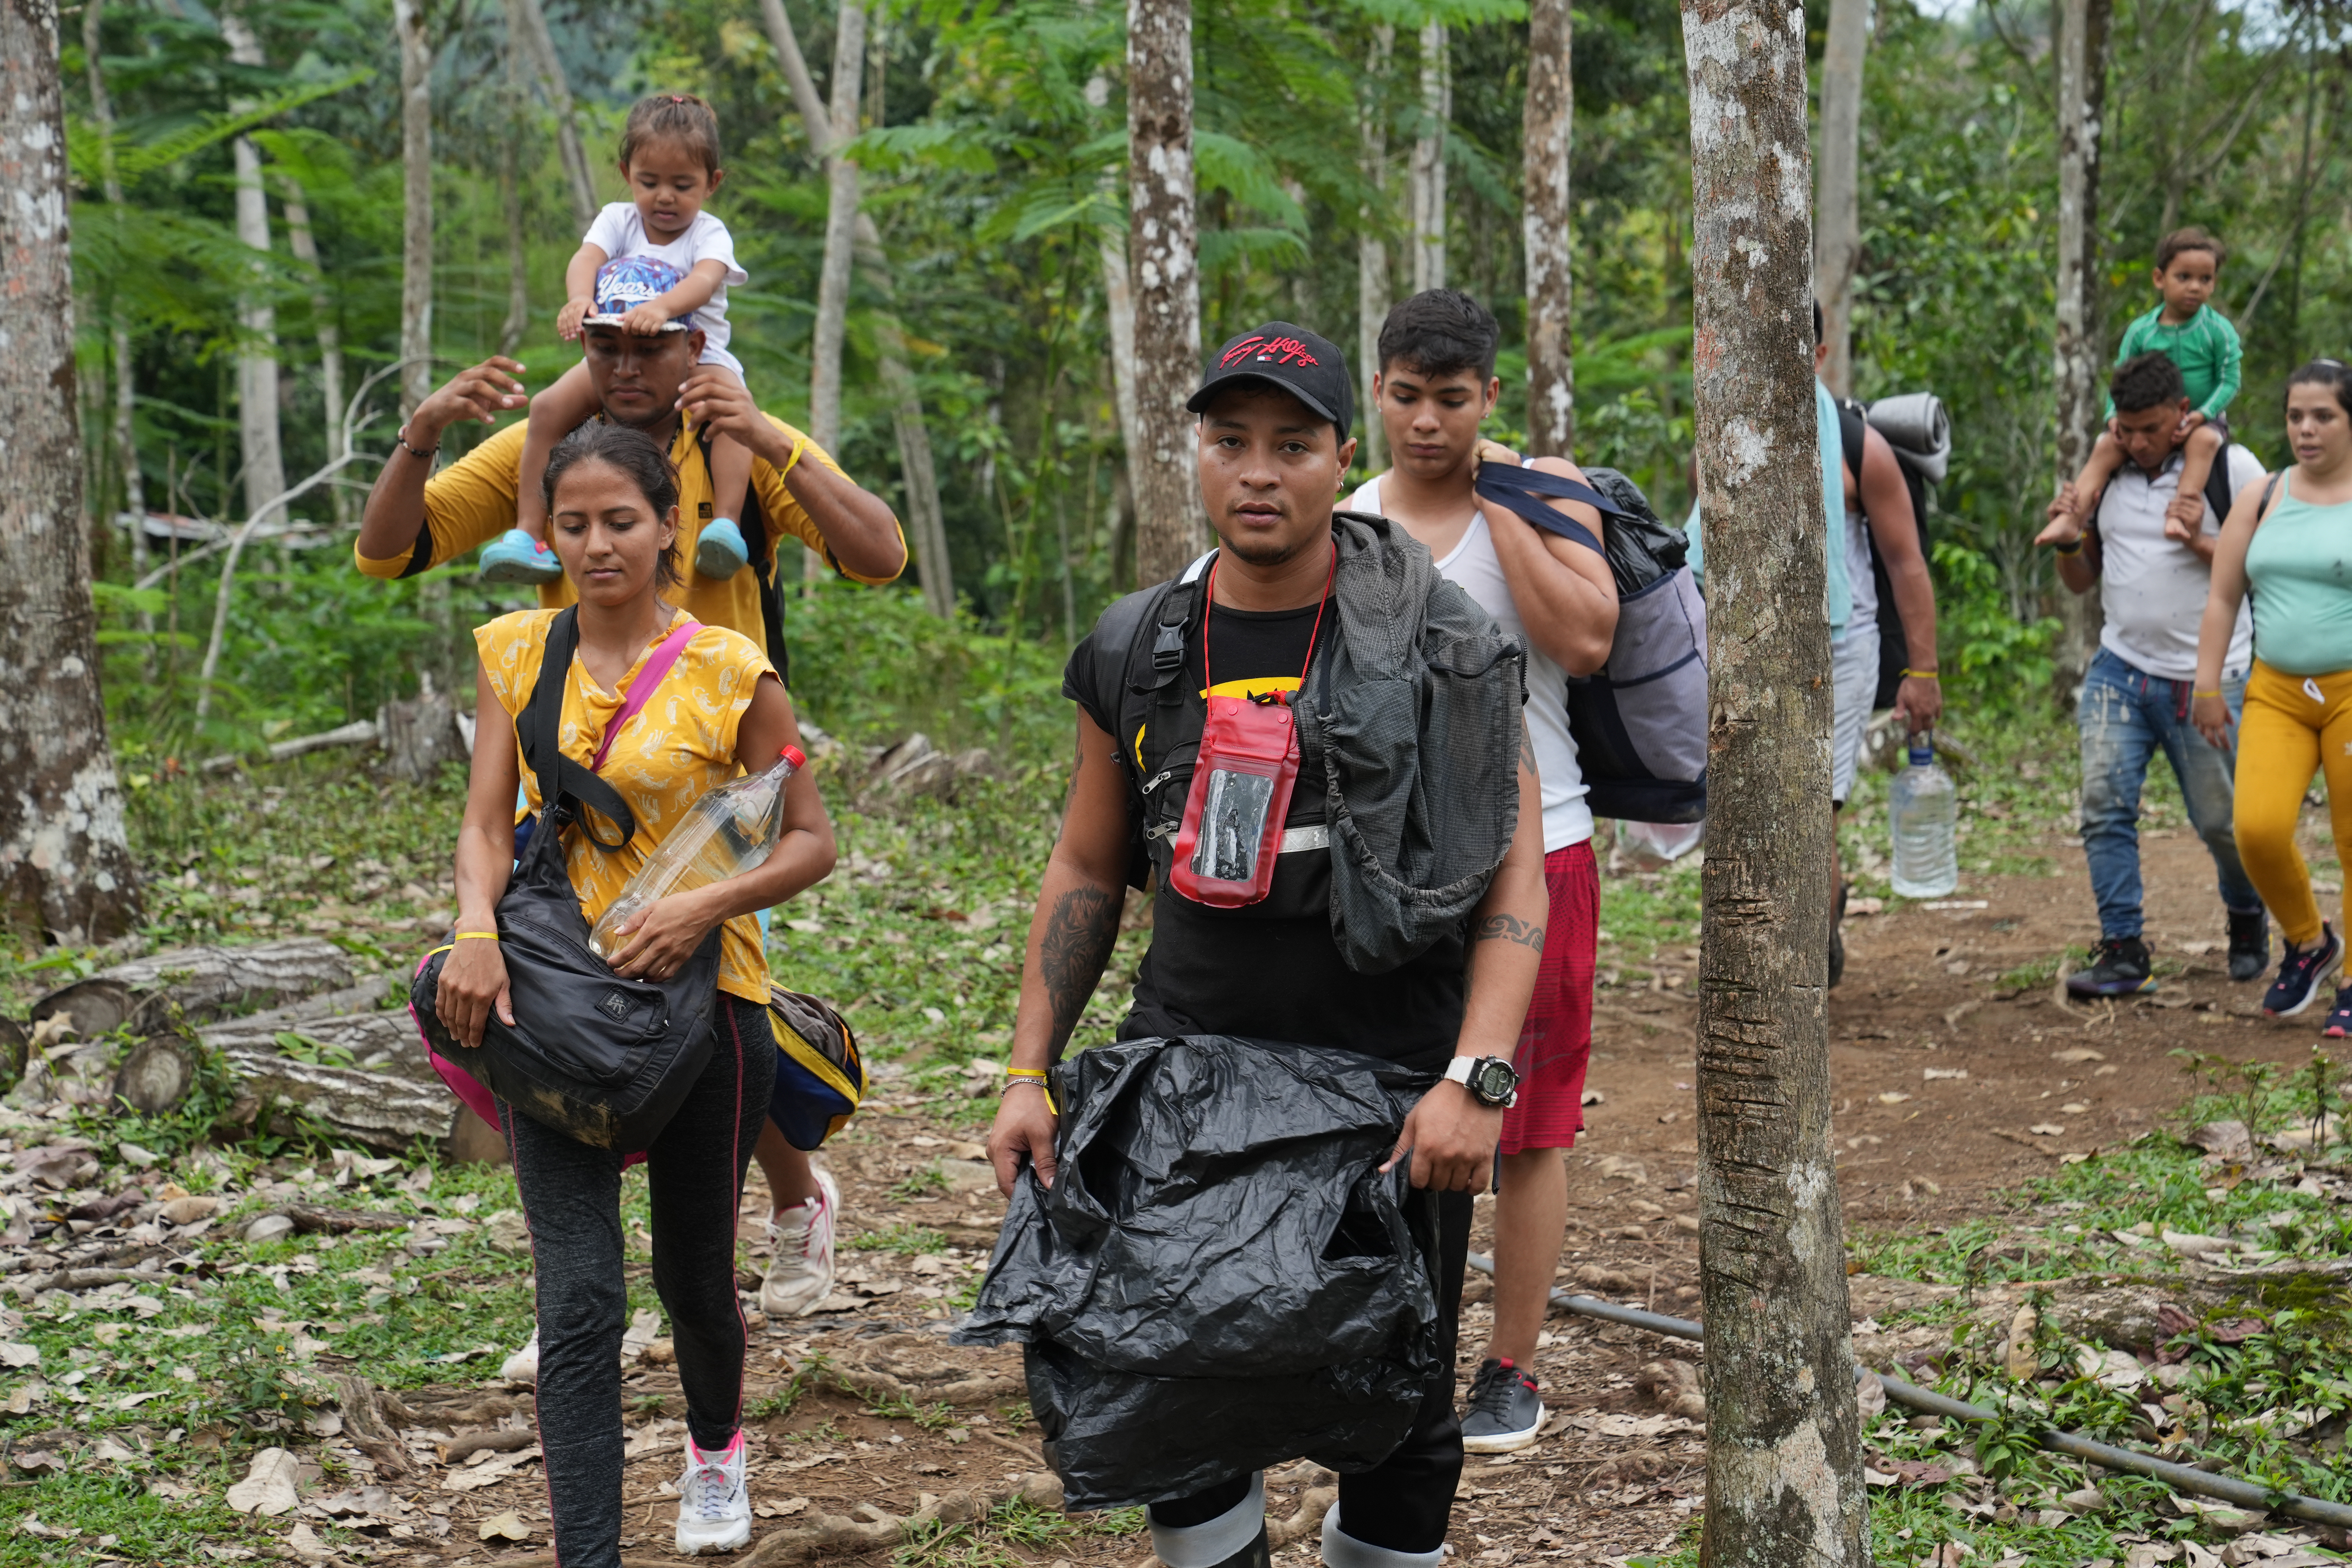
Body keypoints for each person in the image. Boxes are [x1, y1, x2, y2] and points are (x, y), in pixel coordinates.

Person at [988, 321, 1549, 1568]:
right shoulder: (1140, 645)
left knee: (1399, 1407)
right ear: (1194, 455)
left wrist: (1476, 1076)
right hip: (1186, 1077)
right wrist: (1029, 1069)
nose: (1257, 471)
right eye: (1229, 441)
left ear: (1341, 457)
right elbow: (1087, 864)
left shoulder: (1447, 643)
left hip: (1394, 1088)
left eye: (1292, 444)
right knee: (1178, 1387)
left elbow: (1515, 874)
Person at [356, 258, 905, 1326]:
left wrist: (774, 434)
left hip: (712, 794)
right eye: (604, 342)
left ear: (696, 343)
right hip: (566, 801)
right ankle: (578, 1291)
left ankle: (792, 1201)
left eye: (650, 341)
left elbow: (878, 554)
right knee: (564, 1023)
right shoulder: (545, 458)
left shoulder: (735, 442)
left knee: (708, 1020)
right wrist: (421, 432)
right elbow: (391, 550)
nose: (624, 363)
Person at [434, 422, 838, 1562]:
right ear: (548, 532)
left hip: (705, 1020)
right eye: (574, 525)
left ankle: (715, 1448)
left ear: (670, 524)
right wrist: (475, 931)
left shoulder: (727, 669)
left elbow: (808, 841)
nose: (598, 544)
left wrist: (700, 908)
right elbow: (480, 822)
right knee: (576, 1305)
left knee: (693, 1280)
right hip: (550, 1008)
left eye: (622, 521)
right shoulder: (515, 650)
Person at [1339, 289, 1614, 1454]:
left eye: (1451, 401)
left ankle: (1507, 1367)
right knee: (1375, 1102)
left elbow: (1584, 641)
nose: (1426, 423)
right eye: (1406, 397)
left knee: (1527, 1121)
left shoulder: (1544, 496)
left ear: (1487, 398)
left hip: (1536, 847)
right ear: (1376, 391)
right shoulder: (1347, 514)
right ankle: (1377, 1341)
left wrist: (1503, 495)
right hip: (1387, 866)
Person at [1687, 301, 1940, 978]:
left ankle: (1802, 961)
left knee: (1812, 812)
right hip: (1745, 647)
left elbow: (1906, 563)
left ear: (1820, 355)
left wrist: (1925, 671)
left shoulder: (1862, 449)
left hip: (1842, 647)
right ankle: (1780, 945)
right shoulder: (1722, 438)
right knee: (1751, 805)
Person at [2037, 351, 2269, 995]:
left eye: (2150, 428)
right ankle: (2122, 949)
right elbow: (2082, 580)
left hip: (2208, 677)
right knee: (2103, 807)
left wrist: (2198, 539)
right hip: (2119, 668)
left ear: (2181, 416)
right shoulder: (2109, 475)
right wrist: (2067, 539)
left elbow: (2266, 570)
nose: (2136, 442)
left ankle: (2246, 913)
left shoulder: (2232, 469)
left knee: (2222, 822)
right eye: (2126, 428)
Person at [483, 93, 757, 587]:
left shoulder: (708, 233)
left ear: (712, 184)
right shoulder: (617, 218)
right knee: (546, 407)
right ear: (627, 172)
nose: (665, 197)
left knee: (735, 415)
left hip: (699, 356)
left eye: (683, 185)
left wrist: (665, 308)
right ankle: (528, 535)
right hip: (621, 356)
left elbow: (706, 278)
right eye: (650, 183)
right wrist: (578, 299)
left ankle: (727, 525)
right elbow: (586, 258)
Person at [2192, 359, 2352, 1030]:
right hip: (2276, 692)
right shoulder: (2263, 494)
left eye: (2324, 416)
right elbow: (2224, 595)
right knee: (2254, 828)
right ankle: (2310, 943)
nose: (2306, 429)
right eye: (2296, 416)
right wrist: (2206, 684)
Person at [2057, 229, 2240, 544]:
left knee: (2204, 444)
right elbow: (2121, 378)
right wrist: (2113, 416)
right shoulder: (2142, 332)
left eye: (2205, 279)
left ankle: (2180, 514)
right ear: (2160, 279)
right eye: (2184, 277)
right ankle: (2069, 518)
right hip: (2148, 423)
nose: (2195, 287)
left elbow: (2230, 381)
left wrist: (2202, 415)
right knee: (2105, 446)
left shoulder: (2219, 331)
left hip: (2200, 420)